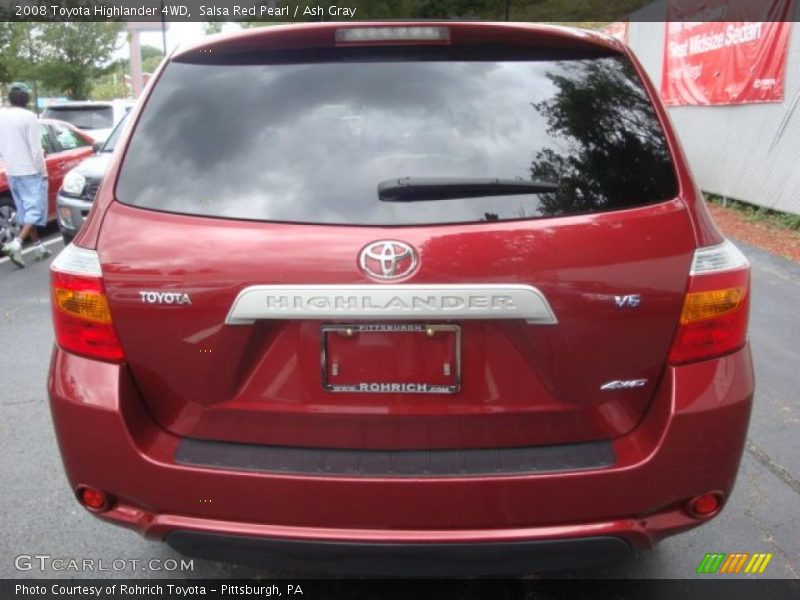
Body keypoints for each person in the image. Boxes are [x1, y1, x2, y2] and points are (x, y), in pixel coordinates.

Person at [0, 82, 51, 268]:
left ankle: (38, 246)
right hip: (30, 170)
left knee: (24, 212)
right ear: (27, 98)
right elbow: (36, 149)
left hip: (12, 170)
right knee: (35, 211)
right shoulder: (29, 117)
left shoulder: (2, 115)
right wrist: (42, 170)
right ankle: (17, 244)